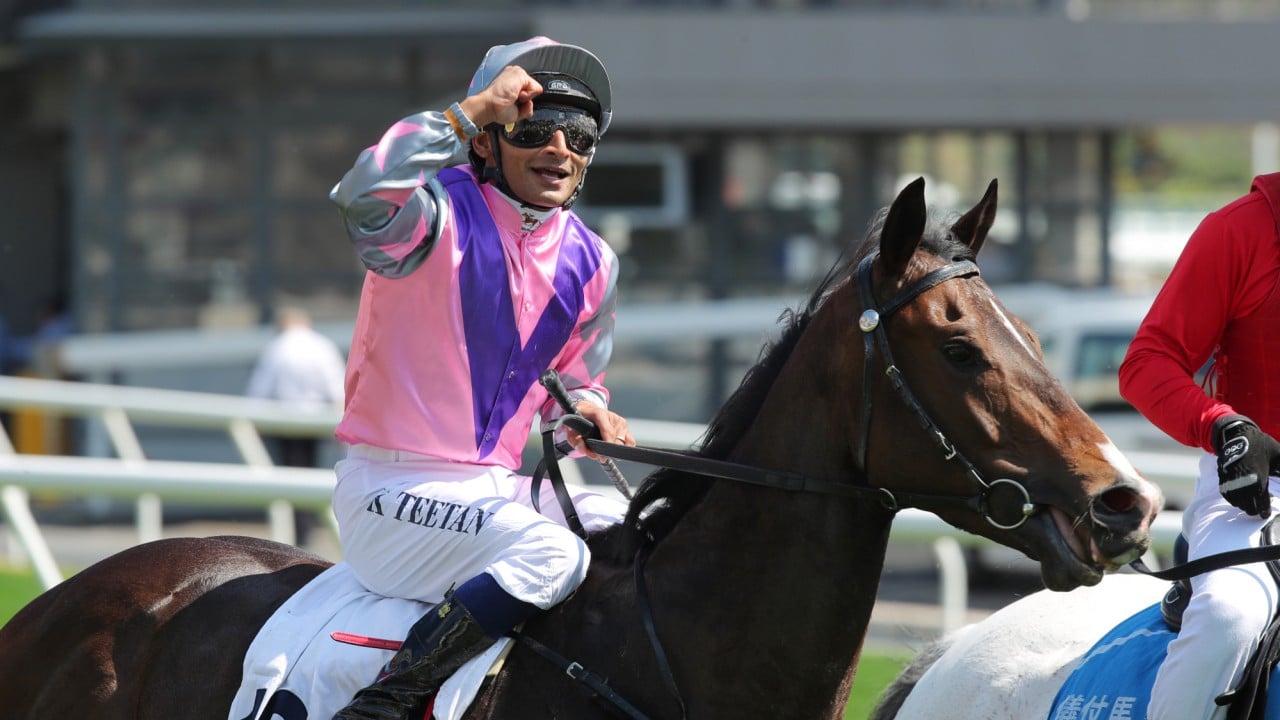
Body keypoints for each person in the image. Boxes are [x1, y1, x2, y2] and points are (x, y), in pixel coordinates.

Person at [326, 36, 636, 719]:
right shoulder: (430, 214)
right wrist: (464, 114)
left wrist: (586, 412)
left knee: (640, 530)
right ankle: (386, 702)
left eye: (578, 135)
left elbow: (574, 381)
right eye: (533, 126)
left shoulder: (594, 261)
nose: (560, 149)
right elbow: (360, 197)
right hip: (391, 490)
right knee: (552, 554)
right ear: (488, 142)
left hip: (499, 492)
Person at [1119, 171, 1280, 720]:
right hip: (1258, 492)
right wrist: (1223, 425)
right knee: (1228, 619)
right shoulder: (1240, 230)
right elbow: (1148, 361)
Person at [246, 306, 346, 544]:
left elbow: (259, 391)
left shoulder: (276, 348)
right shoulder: (322, 345)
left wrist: (253, 423)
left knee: (290, 472)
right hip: (315, 421)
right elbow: (335, 386)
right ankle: (310, 525)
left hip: (284, 423)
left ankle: (299, 530)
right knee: (311, 470)